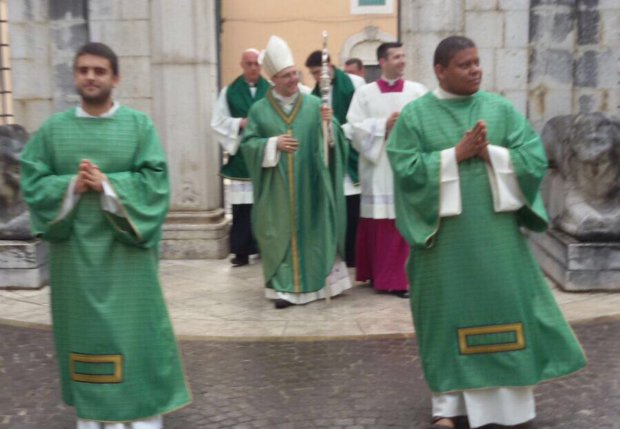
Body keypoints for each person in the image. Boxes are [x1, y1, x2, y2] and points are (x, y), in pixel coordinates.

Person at [386, 35, 586, 429]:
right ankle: (448, 407)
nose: (476, 69)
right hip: (444, 243)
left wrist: (491, 153)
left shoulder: (499, 109)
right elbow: (404, 168)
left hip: (497, 240)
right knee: (445, 319)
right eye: (465, 64)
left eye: (477, 62)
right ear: (440, 71)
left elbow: (531, 157)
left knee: (508, 311)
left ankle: (512, 406)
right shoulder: (415, 116)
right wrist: (454, 156)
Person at [20, 42, 191, 429]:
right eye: (83, 70)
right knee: (87, 340)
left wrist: (108, 185)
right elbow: (31, 183)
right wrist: (73, 187)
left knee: (138, 338)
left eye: (99, 71)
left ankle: (144, 420)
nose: (91, 77)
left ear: (115, 78)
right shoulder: (52, 130)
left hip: (128, 261)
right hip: (76, 266)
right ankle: (93, 421)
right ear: (75, 76)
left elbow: (157, 184)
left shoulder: (138, 126)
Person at [241, 35, 352, 309]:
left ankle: (317, 284)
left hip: (310, 185)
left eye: (295, 74)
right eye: (286, 76)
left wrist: (330, 126)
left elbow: (335, 144)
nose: (293, 80)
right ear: (273, 80)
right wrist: (272, 144)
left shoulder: (314, 105)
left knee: (313, 230)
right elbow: (248, 146)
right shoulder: (260, 110)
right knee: (277, 232)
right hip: (276, 189)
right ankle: (284, 290)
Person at [346, 42, 427, 297]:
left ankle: (399, 279)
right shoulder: (365, 93)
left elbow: (428, 123)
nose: (402, 61)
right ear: (382, 62)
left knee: (400, 222)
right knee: (379, 222)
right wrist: (383, 125)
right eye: (396, 57)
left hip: (406, 166)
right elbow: (352, 127)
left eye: (403, 56)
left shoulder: (417, 91)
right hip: (377, 166)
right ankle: (376, 274)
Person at [305, 50, 365, 267]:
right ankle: (341, 251)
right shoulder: (314, 95)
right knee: (339, 205)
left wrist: (338, 130)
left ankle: (355, 255)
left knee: (355, 207)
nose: (315, 78)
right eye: (312, 74)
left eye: (317, 72)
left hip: (353, 151)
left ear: (329, 65)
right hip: (331, 153)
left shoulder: (355, 84)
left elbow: (361, 117)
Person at [211, 48, 270, 267]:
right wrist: (239, 124)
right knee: (241, 207)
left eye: (256, 64)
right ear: (242, 65)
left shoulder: (271, 89)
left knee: (264, 206)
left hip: (265, 154)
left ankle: (264, 247)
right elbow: (217, 122)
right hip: (242, 155)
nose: (253, 67)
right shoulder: (229, 91)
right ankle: (241, 251)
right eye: (249, 64)